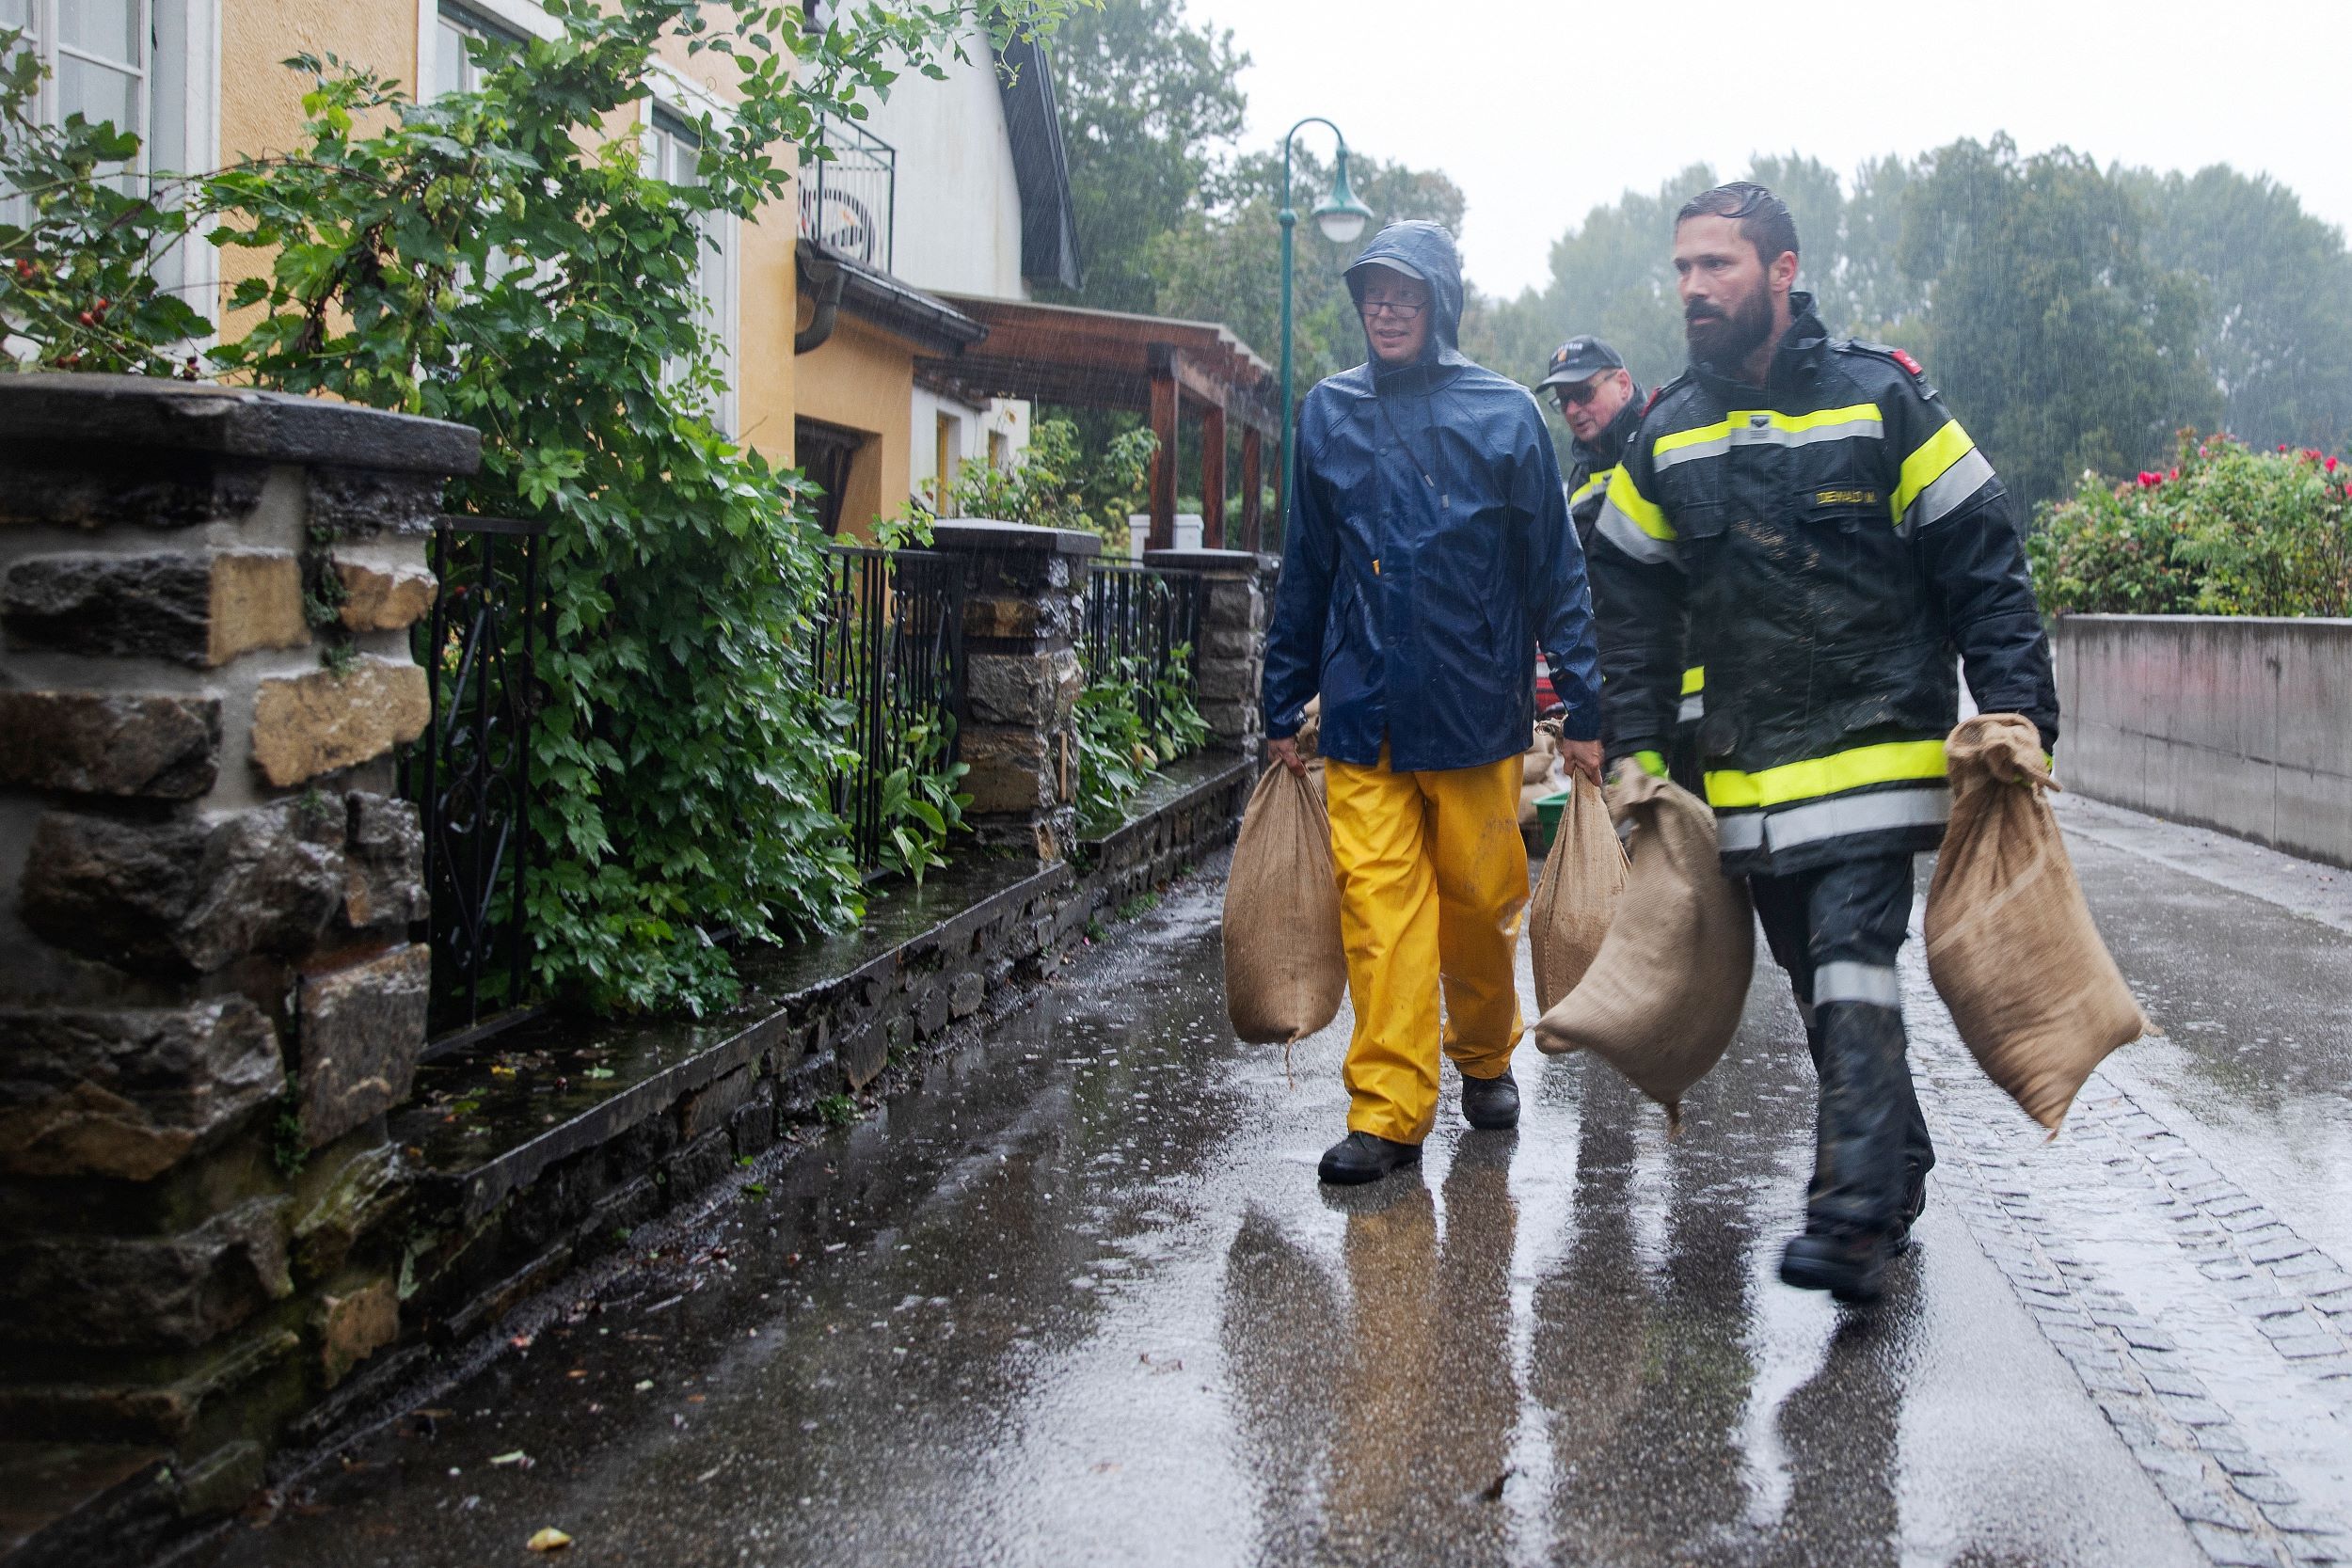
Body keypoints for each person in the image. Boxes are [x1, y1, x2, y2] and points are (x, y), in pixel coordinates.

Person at [1587, 182, 2058, 1300]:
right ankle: (1895, 1164)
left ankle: (1848, 1218)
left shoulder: (1879, 398)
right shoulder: (1668, 434)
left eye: (1720, 266)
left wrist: (2020, 712)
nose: (1696, 288)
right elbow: (1629, 599)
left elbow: (1980, 553)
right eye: (1684, 269)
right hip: (1744, 777)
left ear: (1783, 271)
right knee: (1820, 986)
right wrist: (1635, 750)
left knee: (1852, 957)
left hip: (1871, 759)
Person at [1261, 220, 1604, 1186]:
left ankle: (1486, 1054)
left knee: (1479, 907)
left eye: (1406, 293)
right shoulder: (1326, 413)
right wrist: (1282, 700)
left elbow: (1554, 572)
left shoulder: (1504, 417)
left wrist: (1584, 705)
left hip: (1472, 714)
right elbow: (1308, 570)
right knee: (1380, 914)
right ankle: (1387, 1110)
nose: (1386, 308)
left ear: (1440, 302)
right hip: (1364, 716)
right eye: (1372, 291)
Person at [1539, 335, 1706, 791]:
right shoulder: (1576, 482)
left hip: (1691, 685)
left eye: (1585, 393)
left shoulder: (1662, 446)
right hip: (1623, 688)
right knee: (1647, 830)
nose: (1573, 409)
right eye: (1564, 400)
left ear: (1624, 383)